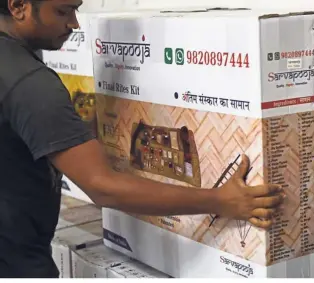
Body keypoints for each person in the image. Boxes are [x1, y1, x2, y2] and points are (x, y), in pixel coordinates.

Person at [0, 0, 285, 278]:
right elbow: (103, 187)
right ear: (18, 6)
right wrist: (219, 201)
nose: (74, 23)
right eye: (63, 10)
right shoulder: (30, 83)